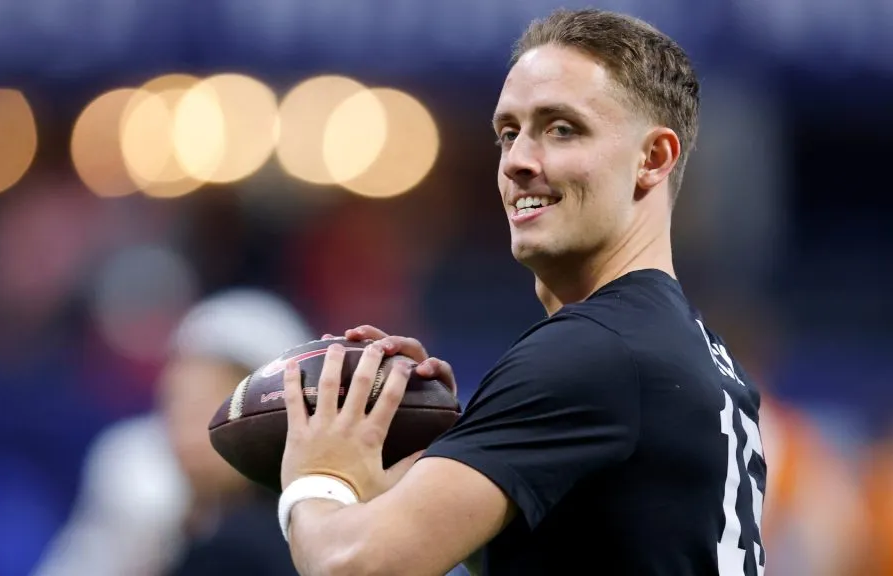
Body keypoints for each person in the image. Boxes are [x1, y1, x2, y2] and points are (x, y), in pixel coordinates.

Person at [274, 8, 767, 576]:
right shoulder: (699, 357)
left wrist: (319, 478)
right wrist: (456, 461)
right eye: (509, 133)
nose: (517, 162)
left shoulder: (591, 353)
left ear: (652, 159)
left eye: (561, 129)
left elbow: (348, 565)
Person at [34, 288, 312, 576]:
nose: (185, 432)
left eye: (208, 406)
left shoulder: (264, 546)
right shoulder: (156, 514)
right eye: (175, 405)